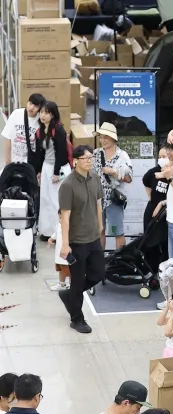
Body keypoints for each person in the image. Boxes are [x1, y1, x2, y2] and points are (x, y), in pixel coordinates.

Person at [58, 145, 105, 334]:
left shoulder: (95, 178)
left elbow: (98, 204)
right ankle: (77, 319)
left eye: (91, 157)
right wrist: (65, 243)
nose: (89, 161)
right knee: (78, 281)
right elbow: (65, 217)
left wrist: (100, 226)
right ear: (75, 160)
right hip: (77, 241)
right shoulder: (68, 185)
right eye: (85, 158)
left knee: (98, 274)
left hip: (93, 237)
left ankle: (69, 295)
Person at [93, 122, 132, 250]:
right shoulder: (95, 154)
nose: (102, 140)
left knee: (116, 230)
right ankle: (99, 260)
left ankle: (119, 260)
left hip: (113, 200)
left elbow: (129, 178)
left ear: (113, 138)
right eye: (101, 137)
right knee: (99, 230)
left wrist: (114, 172)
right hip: (97, 199)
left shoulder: (122, 156)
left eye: (106, 137)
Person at [34, 101, 70, 238]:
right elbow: (41, 153)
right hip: (46, 167)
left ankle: (59, 233)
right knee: (45, 199)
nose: (43, 115)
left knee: (56, 201)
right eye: (42, 112)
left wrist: (56, 173)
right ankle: (47, 231)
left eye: (47, 113)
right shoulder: (41, 130)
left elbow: (61, 152)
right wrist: (39, 171)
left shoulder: (58, 129)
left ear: (53, 114)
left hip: (58, 168)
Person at [1, 93, 44, 165]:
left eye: (36, 106)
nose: (31, 107)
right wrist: (7, 160)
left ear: (40, 108)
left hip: (30, 163)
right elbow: (8, 137)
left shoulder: (40, 120)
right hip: (14, 161)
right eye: (30, 103)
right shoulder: (16, 114)